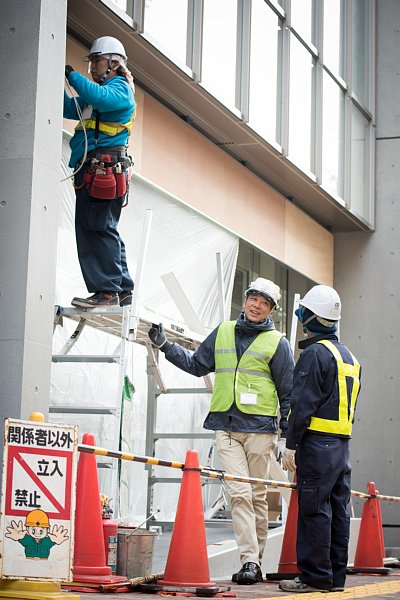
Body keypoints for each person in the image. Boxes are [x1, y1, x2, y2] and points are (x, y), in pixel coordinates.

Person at [148, 278, 294, 584]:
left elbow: (289, 393)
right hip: (226, 427)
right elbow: (197, 364)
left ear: (271, 310)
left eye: (264, 303)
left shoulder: (277, 343)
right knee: (239, 494)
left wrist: (288, 437)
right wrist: (165, 346)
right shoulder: (224, 331)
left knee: (256, 496)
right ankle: (250, 562)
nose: (256, 305)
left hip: (260, 430)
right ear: (246, 300)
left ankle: (254, 560)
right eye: (254, 298)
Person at [279, 285, 361, 594]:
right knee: (338, 512)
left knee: (314, 511)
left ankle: (314, 578)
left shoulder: (314, 353)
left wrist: (290, 444)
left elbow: (301, 405)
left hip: (316, 446)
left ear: (311, 318)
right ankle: (334, 579)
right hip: (342, 447)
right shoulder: (349, 357)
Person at [63, 36, 135, 308]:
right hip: (97, 168)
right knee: (105, 228)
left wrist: (73, 77)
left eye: (97, 60)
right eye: (91, 61)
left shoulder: (119, 89)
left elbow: (98, 97)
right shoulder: (101, 94)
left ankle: (107, 290)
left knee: (96, 228)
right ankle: (122, 288)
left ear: (114, 63)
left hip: (102, 168)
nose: (93, 66)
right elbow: (71, 107)